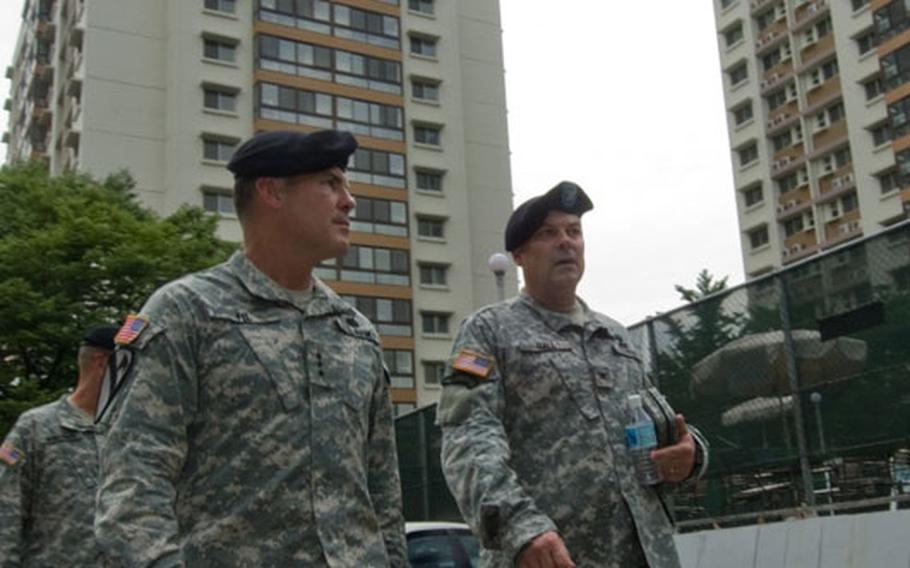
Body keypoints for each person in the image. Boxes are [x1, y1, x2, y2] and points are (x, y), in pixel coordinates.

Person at [94, 129, 408, 567]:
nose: (348, 201)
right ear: (271, 191)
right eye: (330, 183)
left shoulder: (356, 332)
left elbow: (383, 494)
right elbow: (132, 481)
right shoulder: (184, 312)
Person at [436, 181, 709, 568]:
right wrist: (521, 529)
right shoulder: (488, 331)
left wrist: (691, 454)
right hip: (550, 556)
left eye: (574, 231)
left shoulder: (614, 335)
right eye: (549, 233)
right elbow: (468, 439)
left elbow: (658, 422)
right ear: (519, 254)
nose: (566, 242)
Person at [0, 324, 118, 566]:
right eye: (130, 367)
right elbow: (5, 514)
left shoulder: (132, 434)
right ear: (101, 363)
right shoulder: (37, 428)